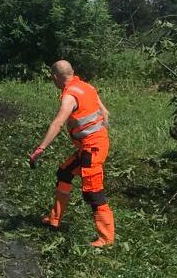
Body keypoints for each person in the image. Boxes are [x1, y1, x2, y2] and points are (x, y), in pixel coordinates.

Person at [28, 60, 115, 247]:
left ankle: (106, 239)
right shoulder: (87, 87)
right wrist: (100, 136)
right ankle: (55, 219)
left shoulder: (69, 97)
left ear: (55, 77)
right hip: (93, 145)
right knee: (64, 173)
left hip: (92, 149)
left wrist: (40, 149)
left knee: (93, 192)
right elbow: (105, 113)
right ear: (72, 72)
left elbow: (58, 123)